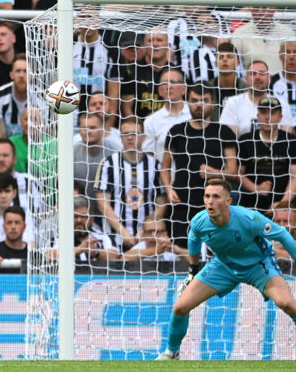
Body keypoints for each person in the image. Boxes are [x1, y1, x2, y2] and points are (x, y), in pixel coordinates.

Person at [155, 179, 296, 361]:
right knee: (180, 307)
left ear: (228, 201)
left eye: (216, 197)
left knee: (287, 303)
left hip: (258, 265)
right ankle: (172, 353)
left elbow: (283, 234)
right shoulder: (199, 222)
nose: (210, 201)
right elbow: (193, 243)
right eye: (207, 196)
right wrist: (193, 270)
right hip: (223, 266)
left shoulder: (249, 218)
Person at [161, 85, 237, 252]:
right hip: (182, 204)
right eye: (194, 100)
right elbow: (164, 167)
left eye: (204, 100)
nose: (199, 105)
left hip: (214, 204)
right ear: (188, 102)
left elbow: (234, 171)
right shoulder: (176, 131)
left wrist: (215, 172)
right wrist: (168, 189)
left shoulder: (223, 132)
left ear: (213, 103)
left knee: (215, 252)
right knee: (181, 252)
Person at [95, 117, 165, 250]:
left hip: (147, 237)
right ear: (120, 137)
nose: (130, 137)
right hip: (114, 236)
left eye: (135, 133)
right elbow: (102, 203)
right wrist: (123, 233)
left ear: (143, 137)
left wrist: (146, 230)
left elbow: (162, 202)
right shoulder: (108, 164)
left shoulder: (155, 165)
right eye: (126, 134)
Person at [237, 96, 296, 214]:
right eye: (263, 112)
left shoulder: (291, 141)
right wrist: (256, 188)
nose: (267, 117)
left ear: (280, 117)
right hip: (250, 206)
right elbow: (238, 173)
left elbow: (295, 178)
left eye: (272, 113)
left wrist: (281, 204)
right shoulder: (245, 140)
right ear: (258, 116)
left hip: (283, 209)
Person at [219, 61, 294, 138]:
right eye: (253, 74)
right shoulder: (233, 103)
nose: (257, 77)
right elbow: (230, 141)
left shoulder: (282, 105)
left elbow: (286, 140)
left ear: (269, 78)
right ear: (246, 79)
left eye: (262, 73)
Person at [231, 7, 296, 76]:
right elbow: (235, 69)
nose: (260, 12)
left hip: (280, 86)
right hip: (250, 86)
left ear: (273, 9)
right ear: (251, 9)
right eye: (256, 8)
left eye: (265, 8)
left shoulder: (288, 33)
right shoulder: (239, 34)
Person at [142, 68, 191, 159]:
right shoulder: (151, 121)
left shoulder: (196, 115)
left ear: (184, 89)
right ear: (160, 91)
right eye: (165, 83)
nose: (169, 86)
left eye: (173, 82)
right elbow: (148, 155)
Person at [203, 42, 247, 121]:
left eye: (229, 57)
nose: (225, 59)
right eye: (221, 57)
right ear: (216, 63)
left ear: (238, 63)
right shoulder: (207, 88)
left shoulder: (247, 89)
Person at [0, 53, 28, 138]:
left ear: (32, 75)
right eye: (18, 71)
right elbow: (0, 136)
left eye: (26, 71)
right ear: (11, 75)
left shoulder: (42, 98)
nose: (21, 75)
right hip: (7, 147)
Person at [0, 206, 27, 274]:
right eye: (9, 222)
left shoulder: (33, 254)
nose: (13, 227)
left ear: (24, 227)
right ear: (4, 226)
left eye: (17, 222)